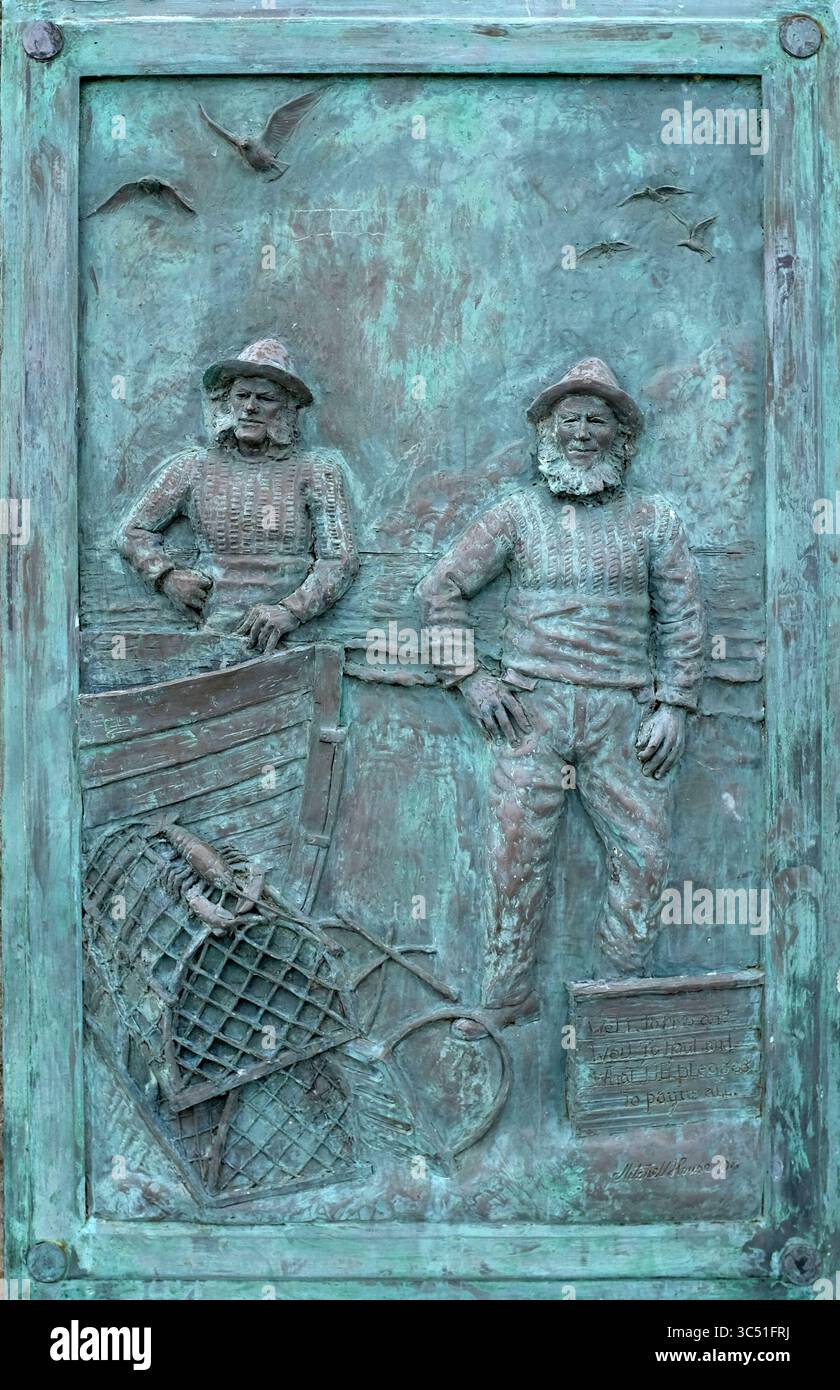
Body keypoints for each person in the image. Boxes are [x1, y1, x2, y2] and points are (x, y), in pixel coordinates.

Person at [416, 357, 705, 1035]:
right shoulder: (514, 515)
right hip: (532, 713)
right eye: (570, 419)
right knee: (515, 853)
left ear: (619, 436)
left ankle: (618, 994)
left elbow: (685, 616)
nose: (583, 432)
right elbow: (441, 590)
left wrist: (675, 704)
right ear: (548, 430)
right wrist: (469, 677)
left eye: (597, 420)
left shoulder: (653, 518)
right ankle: (509, 992)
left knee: (644, 855)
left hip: (623, 716)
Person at [117, 337, 358, 649]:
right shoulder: (193, 467)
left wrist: (292, 611)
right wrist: (165, 577)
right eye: (242, 395)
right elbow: (133, 531)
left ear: (285, 409)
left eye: (265, 398)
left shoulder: (317, 472)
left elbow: (339, 559)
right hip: (214, 636)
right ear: (227, 402)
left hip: (293, 639)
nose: (250, 407)